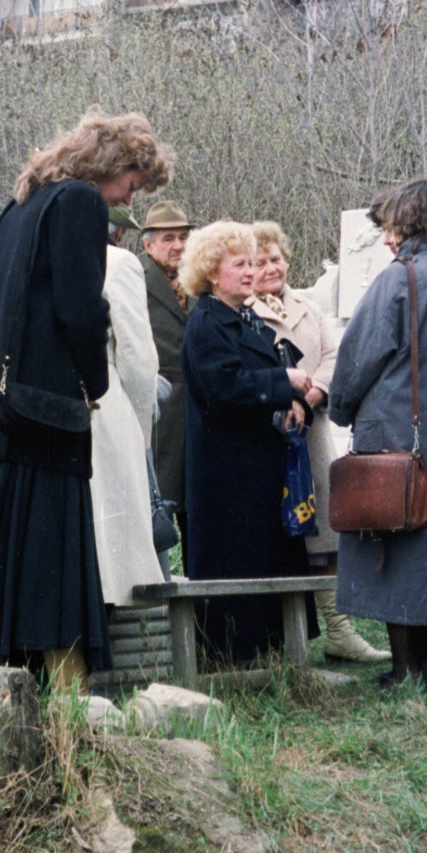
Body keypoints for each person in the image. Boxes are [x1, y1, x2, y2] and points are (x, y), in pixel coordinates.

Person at [0, 110, 173, 691]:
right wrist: (96, 386)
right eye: (132, 184)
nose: (126, 198)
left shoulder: (22, 203)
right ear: (112, 166)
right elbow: (81, 310)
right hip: (43, 420)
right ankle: (71, 707)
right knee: (54, 573)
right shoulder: (79, 203)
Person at [329, 179, 427, 683]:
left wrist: (339, 409)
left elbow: (357, 357)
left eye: (391, 225)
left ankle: (406, 669)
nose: (386, 237)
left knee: (396, 542)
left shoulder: (401, 279)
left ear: (409, 222)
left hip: (395, 430)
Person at [249, 221, 389, 667]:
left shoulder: (308, 307)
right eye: (261, 260)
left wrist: (316, 393)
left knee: (324, 537)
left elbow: (334, 356)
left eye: (276, 258)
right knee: (281, 537)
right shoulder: (245, 311)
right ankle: (288, 639)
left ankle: (339, 631)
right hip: (271, 439)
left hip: (313, 434)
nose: (271, 267)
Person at [180, 220, 315, 664]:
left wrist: (297, 401)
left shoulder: (248, 316)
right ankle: (230, 663)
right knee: (235, 568)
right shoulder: (205, 323)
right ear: (212, 273)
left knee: (268, 562)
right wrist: (283, 382)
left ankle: (276, 658)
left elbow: (277, 366)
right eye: (238, 264)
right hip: (227, 477)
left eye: (252, 263)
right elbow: (224, 389)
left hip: (259, 470)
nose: (250, 272)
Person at [90, 212, 163, 603]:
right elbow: (137, 358)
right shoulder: (118, 263)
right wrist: (139, 432)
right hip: (107, 399)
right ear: (117, 231)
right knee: (120, 535)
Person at [141, 201, 194, 561]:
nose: (178, 245)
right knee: (155, 513)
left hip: (196, 413)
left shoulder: (197, 279)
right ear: (148, 245)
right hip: (160, 413)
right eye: (169, 238)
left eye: (184, 237)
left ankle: (201, 611)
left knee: (196, 515)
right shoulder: (137, 278)